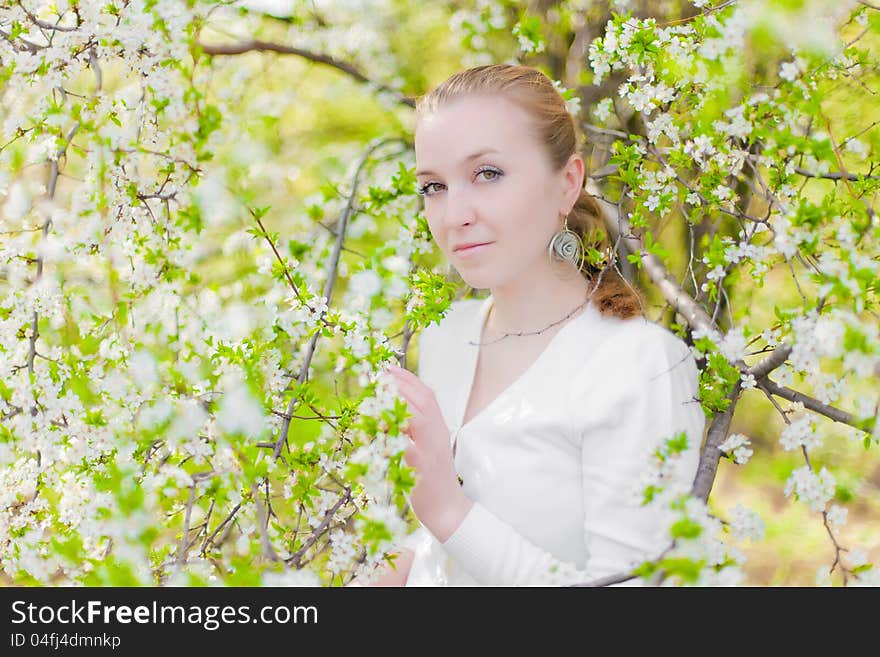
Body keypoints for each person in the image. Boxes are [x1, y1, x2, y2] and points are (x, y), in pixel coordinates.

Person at [351, 63, 706, 586]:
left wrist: (449, 513)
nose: (454, 215)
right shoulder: (447, 336)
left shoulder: (639, 366)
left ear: (567, 183)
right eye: (433, 187)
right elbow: (444, 549)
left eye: (487, 174)